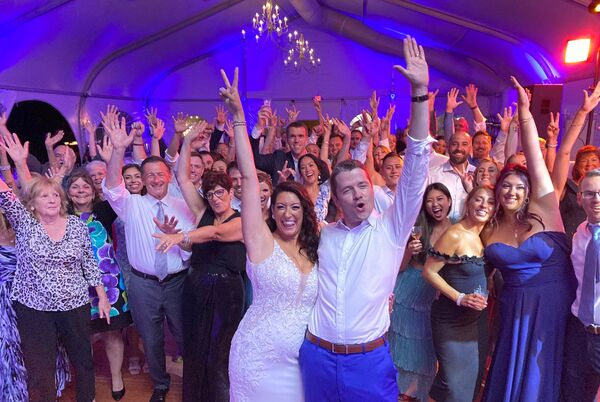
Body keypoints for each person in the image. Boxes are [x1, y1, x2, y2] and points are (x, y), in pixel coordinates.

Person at [299, 36, 432, 401]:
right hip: (317, 355)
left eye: (362, 185)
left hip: (368, 360)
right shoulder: (324, 235)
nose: (358, 194)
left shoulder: (391, 227)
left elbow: (416, 165)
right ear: (336, 199)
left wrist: (419, 93)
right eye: (348, 190)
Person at [216, 67, 319, 401]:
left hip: (302, 360)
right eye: (280, 207)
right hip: (256, 356)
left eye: (295, 207)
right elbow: (248, 178)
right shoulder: (261, 242)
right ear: (271, 212)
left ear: (305, 213)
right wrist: (238, 117)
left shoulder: (316, 248)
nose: (287, 214)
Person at [482, 77, 576, 402]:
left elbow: (536, 161)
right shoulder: (489, 227)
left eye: (519, 187)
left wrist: (525, 114)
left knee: (540, 373)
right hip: (512, 305)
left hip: (553, 304)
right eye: (506, 186)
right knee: (510, 365)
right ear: (497, 191)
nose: (512, 191)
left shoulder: (546, 207)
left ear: (529, 191)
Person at [102, 108, 195, 402]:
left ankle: (194, 382)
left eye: (160, 174)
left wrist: (179, 239)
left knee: (185, 334)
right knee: (151, 338)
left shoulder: (185, 206)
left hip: (178, 282)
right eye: (149, 175)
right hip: (143, 284)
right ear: (142, 179)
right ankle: (160, 384)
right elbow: (112, 187)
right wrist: (119, 150)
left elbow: (193, 248)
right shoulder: (131, 205)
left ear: (169, 176)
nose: (155, 179)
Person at [0, 163, 110, 401]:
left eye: (55, 195)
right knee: (41, 366)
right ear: (32, 204)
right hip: (34, 307)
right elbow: (5, 195)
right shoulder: (24, 223)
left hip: (74, 303)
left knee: (83, 359)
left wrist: (102, 297)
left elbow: (89, 263)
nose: (52, 200)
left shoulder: (77, 226)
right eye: (44, 196)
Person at [157, 121, 246, 402]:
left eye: (220, 193)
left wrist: (183, 235)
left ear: (230, 193)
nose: (215, 198)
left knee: (220, 351)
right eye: (210, 194)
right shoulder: (201, 211)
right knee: (194, 346)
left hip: (227, 291)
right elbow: (183, 178)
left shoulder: (242, 220)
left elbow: (216, 234)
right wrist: (187, 142)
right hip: (196, 286)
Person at [66, 170, 133, 400]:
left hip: (109, 282)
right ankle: (87, 384)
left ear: (94, 191)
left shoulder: (104, 210)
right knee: (81, 336)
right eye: (75, 186)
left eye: (85, 186)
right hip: (75, 284)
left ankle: (116, 377)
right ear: (68, 193)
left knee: (112, 332)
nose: (81, 191)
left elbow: (116, 188)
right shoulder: (62, 215)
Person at [423, 186, 494, 401]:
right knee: (453, 385)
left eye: (490, 202)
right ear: (468, 203)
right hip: (450, 322)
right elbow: (429, 272)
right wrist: (460, 297)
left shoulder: (486, 235)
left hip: (477, 322)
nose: (484, 205)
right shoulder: (455, 234)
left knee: (472, 382)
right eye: (478, 199)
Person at [389, 183, 452, 401]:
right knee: (401, 347)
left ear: (449, 201)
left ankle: (416, 395)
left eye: (440, 199)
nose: (435, 204)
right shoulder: (418, 227)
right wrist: (409, 251)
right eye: (429, 201)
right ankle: (398, 395)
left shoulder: (456, 228)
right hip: (407, 293)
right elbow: (400, 267)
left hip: (433, 296)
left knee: (424, 350)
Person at [561, 169, 600, 401]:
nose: (596, 199)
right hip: (578, 330)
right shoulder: (579, 234)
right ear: (579, 198)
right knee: (573, 393)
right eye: (590, 193)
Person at [552, 81, 600, 239]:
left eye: (594, 160)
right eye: (584, 161)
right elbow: (564, 152)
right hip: (568, 246)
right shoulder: (567, 187)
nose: (589, 164)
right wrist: (583, 112)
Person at [429, 131, 476, 222]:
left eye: (464, 144)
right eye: (454, 144)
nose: (459, 148)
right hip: (438, 229)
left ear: (470, 148)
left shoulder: (477, 174)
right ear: (448, 147)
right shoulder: (432, 174)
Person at [298, 153, 331, 225]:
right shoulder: (297, 192)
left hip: (322, 230)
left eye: (311, 165)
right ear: (301, 174)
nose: (308, 169)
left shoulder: (325, 189)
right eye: (303, 167)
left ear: (318, 170)